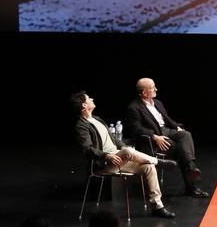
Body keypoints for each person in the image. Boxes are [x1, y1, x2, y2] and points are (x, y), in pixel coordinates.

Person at [71, 90, 176, 219]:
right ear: (84, 105)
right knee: (129, 152)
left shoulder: (97, 119)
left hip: (118, 157)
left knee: (148, 167)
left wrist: (124, 146)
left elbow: (113, 139)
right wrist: (106, 156)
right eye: (88, 99)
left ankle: (157, 207)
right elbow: (87, 149)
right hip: (105, 163)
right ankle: (158, 161)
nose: (92, 99)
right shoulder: (81, 126)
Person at [125, 78, 208, 199]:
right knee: (181, 149)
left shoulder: (157, 102)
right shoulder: (134, 107)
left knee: (186, 134)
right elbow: (135, 129)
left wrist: (177, 127)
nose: (156, 89)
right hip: (153, 136)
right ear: (144, 92)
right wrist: (154, 137)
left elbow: (167, 119)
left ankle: (190, 167)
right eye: (153, 87)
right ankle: (192, 185)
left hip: (166, 131)